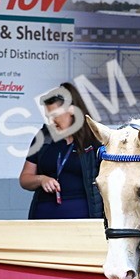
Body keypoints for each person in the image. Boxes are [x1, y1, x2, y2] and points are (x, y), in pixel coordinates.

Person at [20, 81, 105, 220]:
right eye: (48, 117)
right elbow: (24, 179)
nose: (51, 121)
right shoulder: (43, 137)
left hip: (83, 218)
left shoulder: (94, 139)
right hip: (43, 216)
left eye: (54, 115)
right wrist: (41, 179)